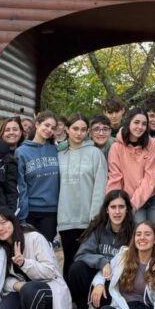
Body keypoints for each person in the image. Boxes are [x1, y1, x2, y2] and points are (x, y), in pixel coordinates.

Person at [0, 207, 73, 309]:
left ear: (13, 221)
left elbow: (50, 271)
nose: (0, 228)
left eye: (4, 222)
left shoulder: (34, 238)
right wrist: (17, 285)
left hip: (47, 289)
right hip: (21, 291)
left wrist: (24, 263)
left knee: (31, 289)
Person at [65, 191, 133, 309]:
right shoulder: (98, 228)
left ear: (127, 209)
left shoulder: (134, 231)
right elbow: (81, 254)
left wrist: (102, 281)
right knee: (76, 269)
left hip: (119, 281)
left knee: (106, 306)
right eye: (113, 207)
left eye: (121, 207)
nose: (117, 211)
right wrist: (102, 263)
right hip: (100, 273)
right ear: (107, 210)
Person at [57, 113, 108, 282]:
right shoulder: (59, 155)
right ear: (67, 129)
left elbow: (100, 187)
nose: (79, 133)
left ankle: (84, 303)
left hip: (88, 219)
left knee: (85, 262)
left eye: (83, 130)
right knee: (69, 260)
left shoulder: (95, 154)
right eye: (75, 129)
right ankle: (67, 302)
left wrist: (94, 219)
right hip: (65, 218)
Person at [106, 108, 155, 228]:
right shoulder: (116, 147)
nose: (140, 127)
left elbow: (150, 178)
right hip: (130, 199)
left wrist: (134, 204)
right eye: (136, 122)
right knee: (138, 232)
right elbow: (115, 178)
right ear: (129, 122)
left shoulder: (153, 144)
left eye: (144, 124)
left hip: (153, 197)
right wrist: (114, 204)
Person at [15, 110, 61, 238]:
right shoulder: (21, 152)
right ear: (37, 124)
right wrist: (22, 216)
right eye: (46, 125)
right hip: (31, 211)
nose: (49, 130)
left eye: (52, 128)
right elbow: (21, 186)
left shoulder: (55, 150)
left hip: (51, 211)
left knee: (46, 250)